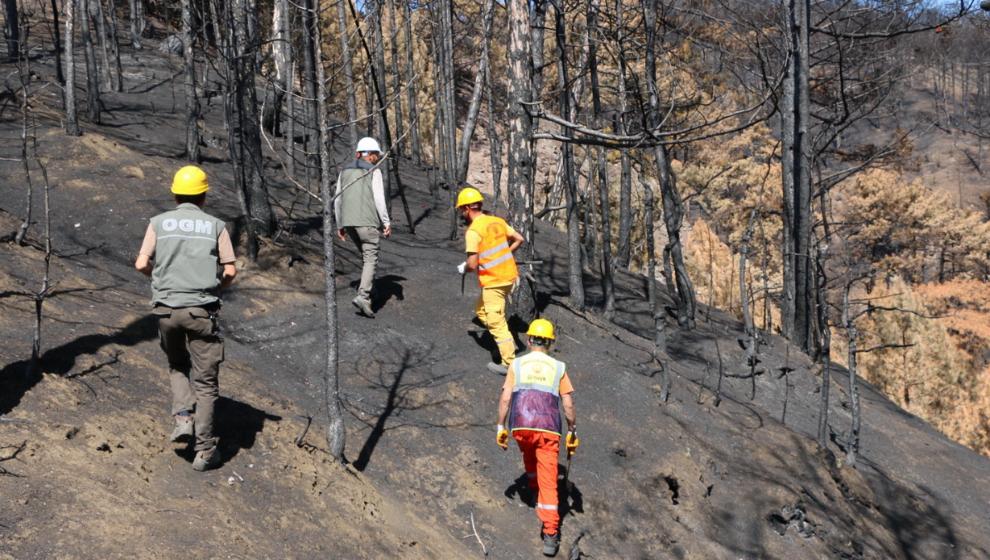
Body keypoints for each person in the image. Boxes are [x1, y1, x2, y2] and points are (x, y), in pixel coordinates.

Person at [134, 165, 236, 472]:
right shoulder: (216, 226)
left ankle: (182, 417)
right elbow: (230, 270)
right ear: (203, 195)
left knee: (177, 364)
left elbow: (141, 263)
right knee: (205, 385)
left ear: (176, 194)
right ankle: (204, 451)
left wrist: (160, 280)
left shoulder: (158, 223)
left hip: (166, 310)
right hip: (200, 311)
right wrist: (216, 287)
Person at [495, 318, 579, 557]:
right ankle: (551, 533)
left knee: (529, 457)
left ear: (529, 339)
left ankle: (533, 489)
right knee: (549, 481)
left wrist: (500, 426)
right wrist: (572, 429)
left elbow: (505, 399)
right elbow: (568, 405)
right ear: (550, 342)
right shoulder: (559, 368)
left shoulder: (517, 365)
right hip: (548, 429)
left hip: (521, 426)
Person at [456, 186, 524, 375]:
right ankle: (505, 342)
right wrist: (505, 254)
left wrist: (465, 267)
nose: (462, 213)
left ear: (466, 209)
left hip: (494, 280)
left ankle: (509, 363)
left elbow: (472, 262)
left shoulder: (473, 231)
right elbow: (519, 238)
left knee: (495, 322)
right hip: (509, 276)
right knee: (481, 310)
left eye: (461, 209)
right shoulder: (497, 221)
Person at [334, 136, 392, 318]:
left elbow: (338, 199)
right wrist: (386, 222)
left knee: (366, 256)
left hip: (349, 222)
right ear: (369, 155)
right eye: (375, 155)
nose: (376, 158)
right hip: (367, 222)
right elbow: (379, 199)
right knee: (370, 257)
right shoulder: (374, 171)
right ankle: (364, 296)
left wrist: (340, 224)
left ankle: (371, 290)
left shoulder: (343, 172)